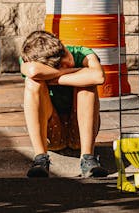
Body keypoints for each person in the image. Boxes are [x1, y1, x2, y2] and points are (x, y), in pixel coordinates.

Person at [19, 30, 107, 178]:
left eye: (65, 54)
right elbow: (33, 71)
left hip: (78, 132)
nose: (68, 63)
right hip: (52, 133)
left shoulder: (83, 53)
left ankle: (88, 159)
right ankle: (40, 159)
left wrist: (57, 77)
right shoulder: (30, 58)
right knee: (32, 83)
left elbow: (98, 76)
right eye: (60, 65)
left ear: (63, 45)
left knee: (87, 84)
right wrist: (73, 73)